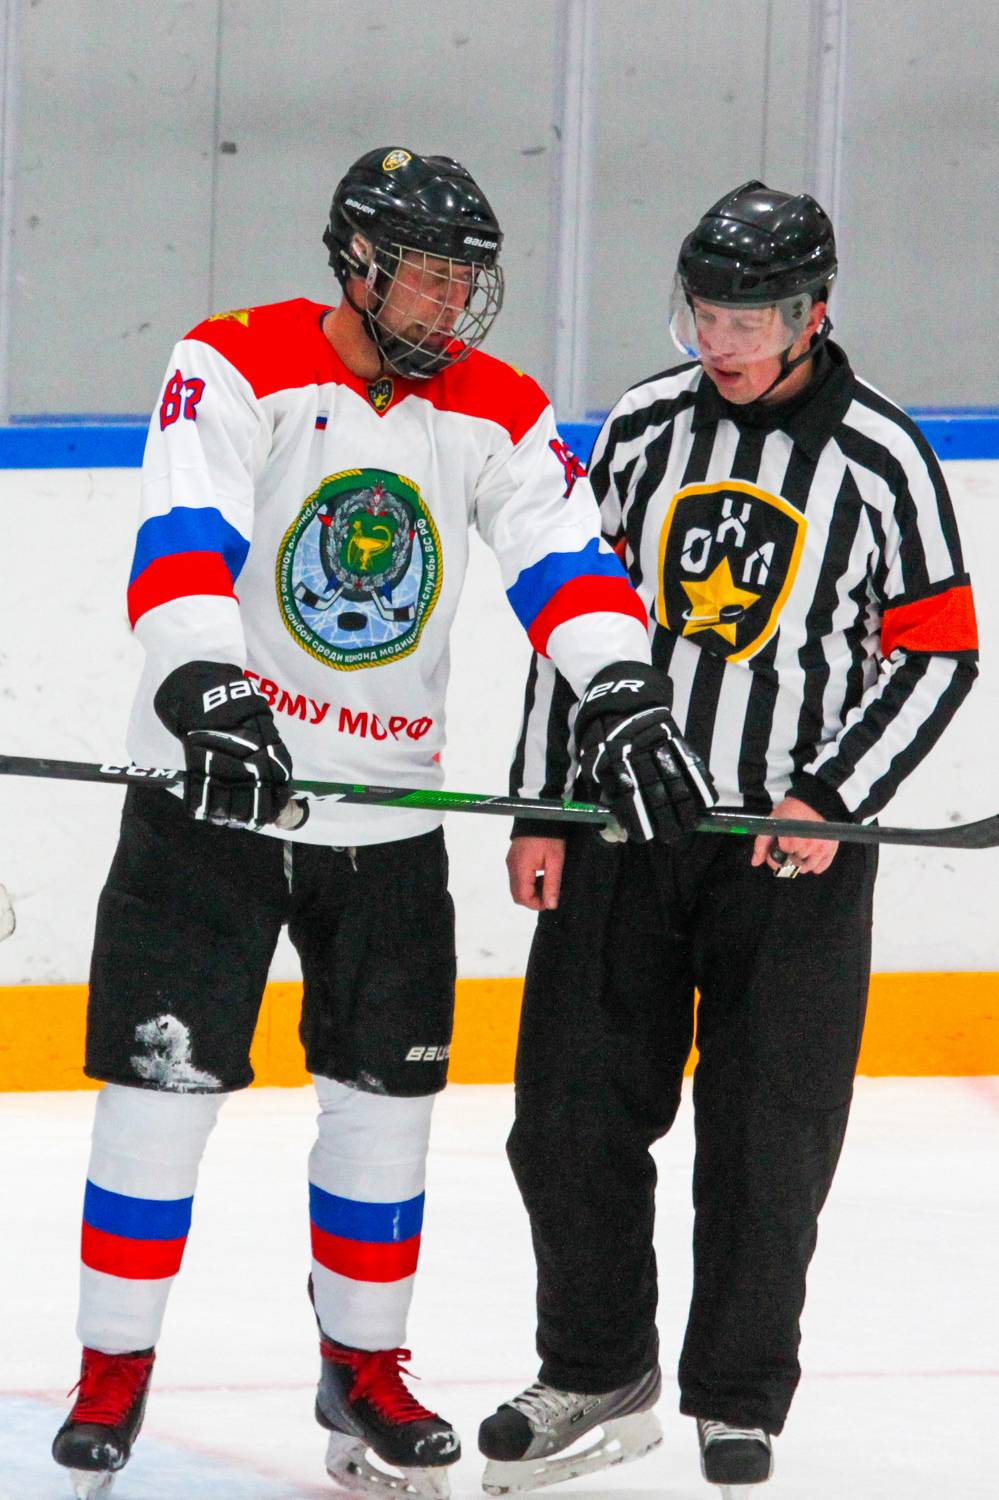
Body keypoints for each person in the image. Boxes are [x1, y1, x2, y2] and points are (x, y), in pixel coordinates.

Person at [50, 146, 712, 1500]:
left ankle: (365, 1366)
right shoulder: (234, 360)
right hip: (213, 802)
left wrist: (623, 693)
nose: (454, 302)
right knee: (158, 1101)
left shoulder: (497, 406)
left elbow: (564, 560)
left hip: (386, 816)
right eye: (429, 275)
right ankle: (111, 1369)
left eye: (468, 280)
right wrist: (209, 690)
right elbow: (183, 536)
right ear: (357, 264)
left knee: (386, 1110)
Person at [479, 181, 979, 1495]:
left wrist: (831, 795)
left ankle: (738, 1395)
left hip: (790, 856)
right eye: (704, 312)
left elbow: (938, 653)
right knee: (567, 1118)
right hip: (624, 832)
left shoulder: (884, 456)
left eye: (747, 318)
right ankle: (596, 1368)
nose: (720, 340)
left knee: (768, 1140)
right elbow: (574, 620)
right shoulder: (645, 425)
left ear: (814, 313)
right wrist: (544, 802)